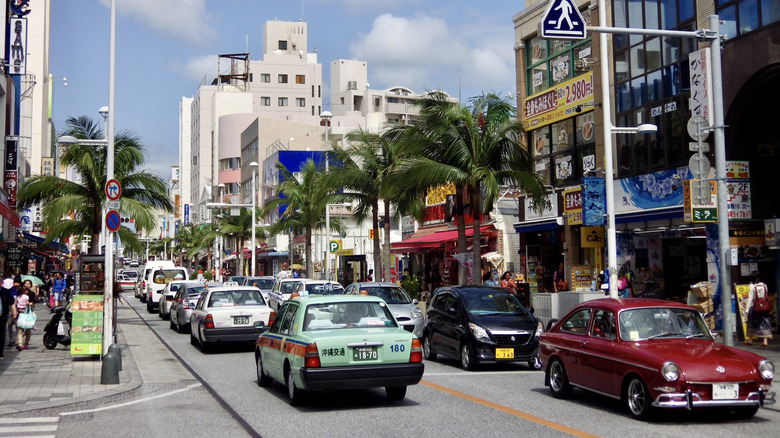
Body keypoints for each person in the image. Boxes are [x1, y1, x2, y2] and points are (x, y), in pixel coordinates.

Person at [745, 272, 772, 347]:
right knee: (764, 322)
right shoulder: (764, 285)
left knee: (751, 322)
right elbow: (766, 296)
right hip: (763, 307)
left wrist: (747, 309)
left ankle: (750, 340)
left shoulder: (752, 286)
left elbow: (750, 298)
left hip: (755, 307)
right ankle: (765, 341)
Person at [12, 286, 32, 350]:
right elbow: (27, 304)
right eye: (26, 290)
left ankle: (20, 344)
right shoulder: (26, 296)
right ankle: (26, 344)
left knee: (19, 330)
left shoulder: (18, 297)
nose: (27, 291)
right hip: (26, 314)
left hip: (19, 314)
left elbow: (15, 304)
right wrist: (30, 304)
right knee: (28, 329)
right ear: (24, 291)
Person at [0, 277, 14, 359]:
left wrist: (14, 311)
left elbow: (11, 302)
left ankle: (0, 352)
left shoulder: (5, 291)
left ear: (1, 282)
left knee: (1, 334)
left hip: (2, 316)